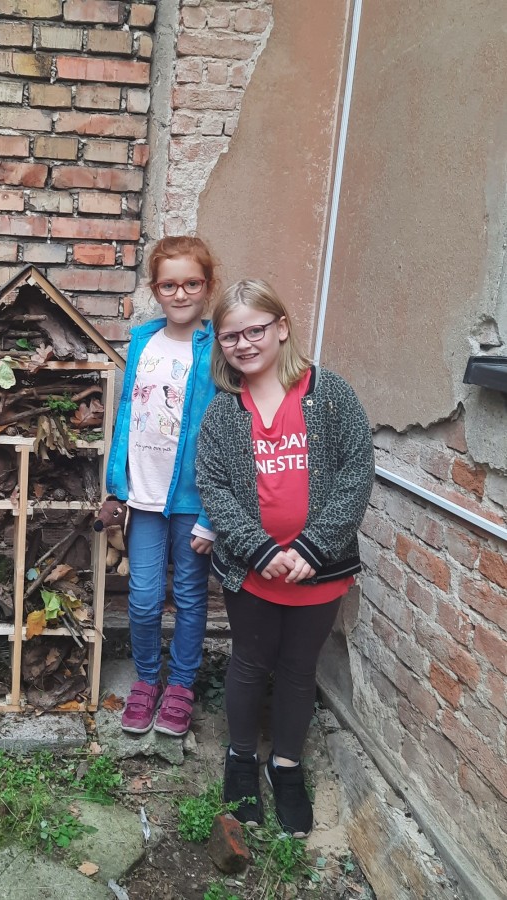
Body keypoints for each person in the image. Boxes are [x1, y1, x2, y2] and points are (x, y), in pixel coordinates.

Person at [195, 279, 373, 836]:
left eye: (255, 330)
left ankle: (287, 764)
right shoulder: (224, 412)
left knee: (299, 669)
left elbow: (356, 470)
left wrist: (314, 548)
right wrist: (259, 548)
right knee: (249, 663)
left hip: (319, 569)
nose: (244, 344)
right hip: (254, 570)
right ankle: (241, 757)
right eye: (230, 336)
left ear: (281, 327)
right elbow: (214, 485)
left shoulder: (329, 394)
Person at [106, 236, 218, 738]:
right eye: (169, 285)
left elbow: (226, 431)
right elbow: (127, 413)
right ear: (155, 289)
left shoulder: (216, 347)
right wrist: (116, 484)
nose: (180, 294)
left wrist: (213, 515)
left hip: (193, 499)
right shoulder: (143, 341)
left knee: (190, 597)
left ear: (207, 287)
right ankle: (148, 679)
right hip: (144, 497)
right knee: (144, 597)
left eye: (192, 283)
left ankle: (181, 686)